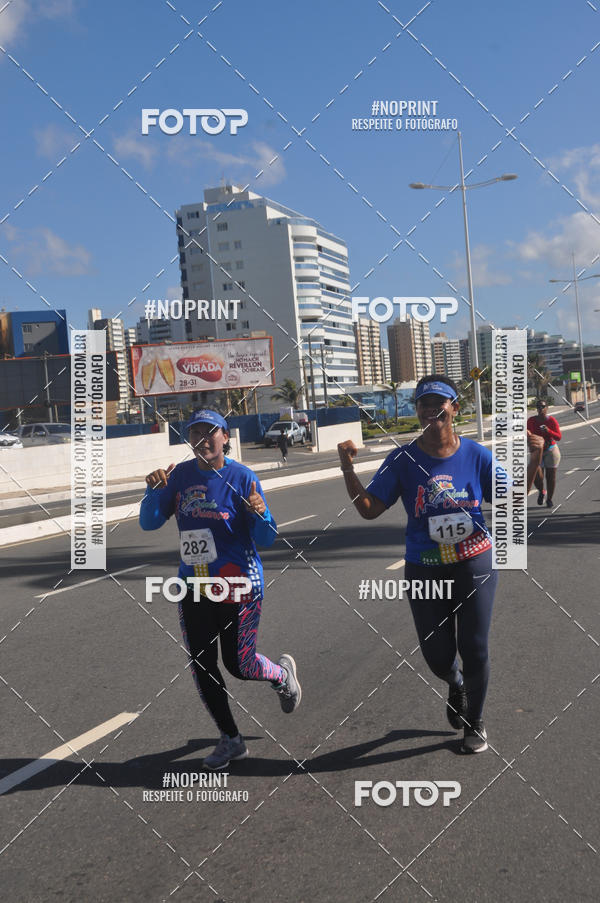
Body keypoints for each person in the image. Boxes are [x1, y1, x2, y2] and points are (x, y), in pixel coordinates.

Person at [337, 375, 543, 754]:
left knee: (475, 646)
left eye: (439, 403)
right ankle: (455, 683)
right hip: (424, 566)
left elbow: (512, 499)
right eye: (423, 404)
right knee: (437, 656)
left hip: (474, 561)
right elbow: (369, 511)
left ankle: (475, 723)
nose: (431, 410)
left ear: (454, 408)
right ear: (417, 411)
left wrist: (536, 457)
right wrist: (348, 470)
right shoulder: (402, 459)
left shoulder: (476, 455)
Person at [140, 409, 301, 770]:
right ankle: (231, 739)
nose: (203, 438)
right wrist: (151, 492)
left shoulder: (242, 477)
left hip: (240, 585)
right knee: (201, 663)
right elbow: (149, 523)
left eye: (211, 432)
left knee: (239, 664)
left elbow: (267, 538)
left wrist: (260, 514)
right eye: (196, 432)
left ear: (225, 437)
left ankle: (281, 676)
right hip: (194, 586)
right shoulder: (178, 476)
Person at [526, 399, 561, 508]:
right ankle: (542, 491)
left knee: (551, 476)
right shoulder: (531, 420)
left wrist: (549, 431)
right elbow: (528, 433)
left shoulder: (551, 421)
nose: (540, 409)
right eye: (538, 407)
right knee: (536, 475)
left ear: (547, 408)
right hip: (537, 451)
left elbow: (559, 437)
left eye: (542, 406)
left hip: (551, 449)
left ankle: (549, 499)